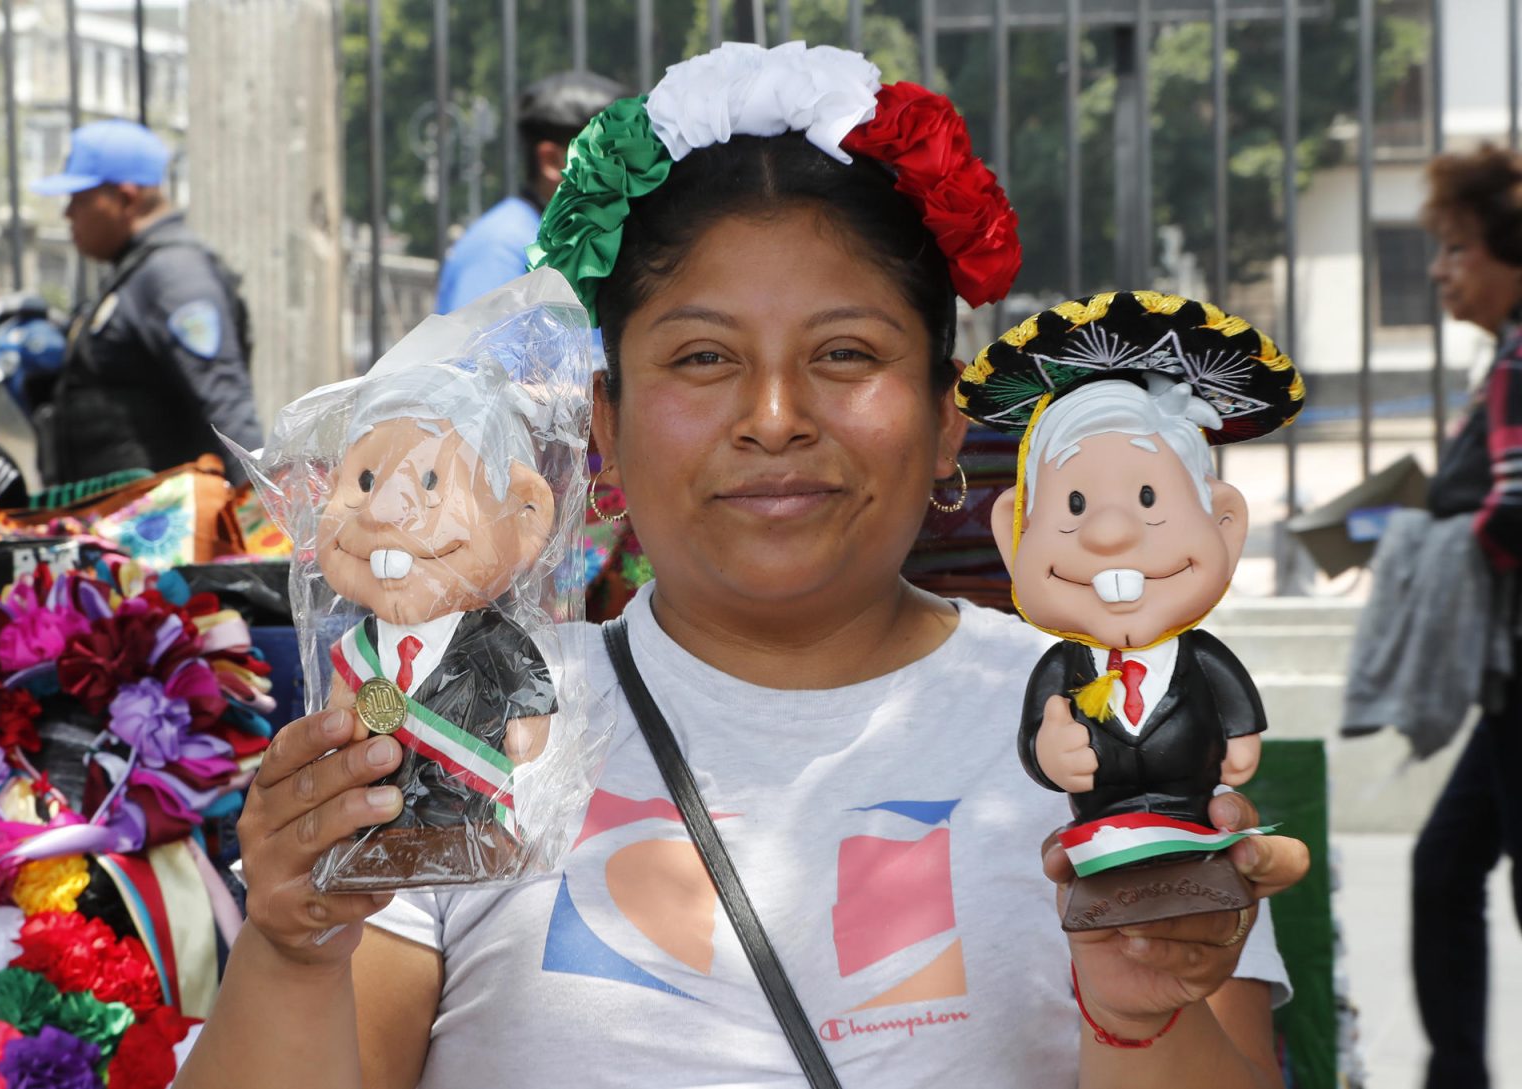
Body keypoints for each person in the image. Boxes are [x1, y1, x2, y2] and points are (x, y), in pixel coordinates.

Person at [176, 44, 1307, 1089]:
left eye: (846, 354)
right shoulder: (468, 723)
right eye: (703, 357)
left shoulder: (1100, 733)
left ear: (948, 420)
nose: (774, 418)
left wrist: (1136, 1020)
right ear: (605, 428)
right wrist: (291, 946)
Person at [1410, 143, 1522, 1089]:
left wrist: (1429, 552)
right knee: (1445, 870)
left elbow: (1515, 510)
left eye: (1456, 248)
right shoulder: (1506, 357)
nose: (1442, 271)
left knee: (1456, 874)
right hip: (1505, 681)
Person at [30, 119, 262, 486]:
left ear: (125, 199)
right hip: (123, 527)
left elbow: (225, 399)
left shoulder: (174, 274)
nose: (68, 213)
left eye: (80, 199)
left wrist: (265, 519)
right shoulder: (137, 269)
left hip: (162, 533)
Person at [436, 70, 626, 314]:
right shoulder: (500, 248)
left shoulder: (577, 245)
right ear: (552, 161)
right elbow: (481, 349)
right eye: (614, 154)